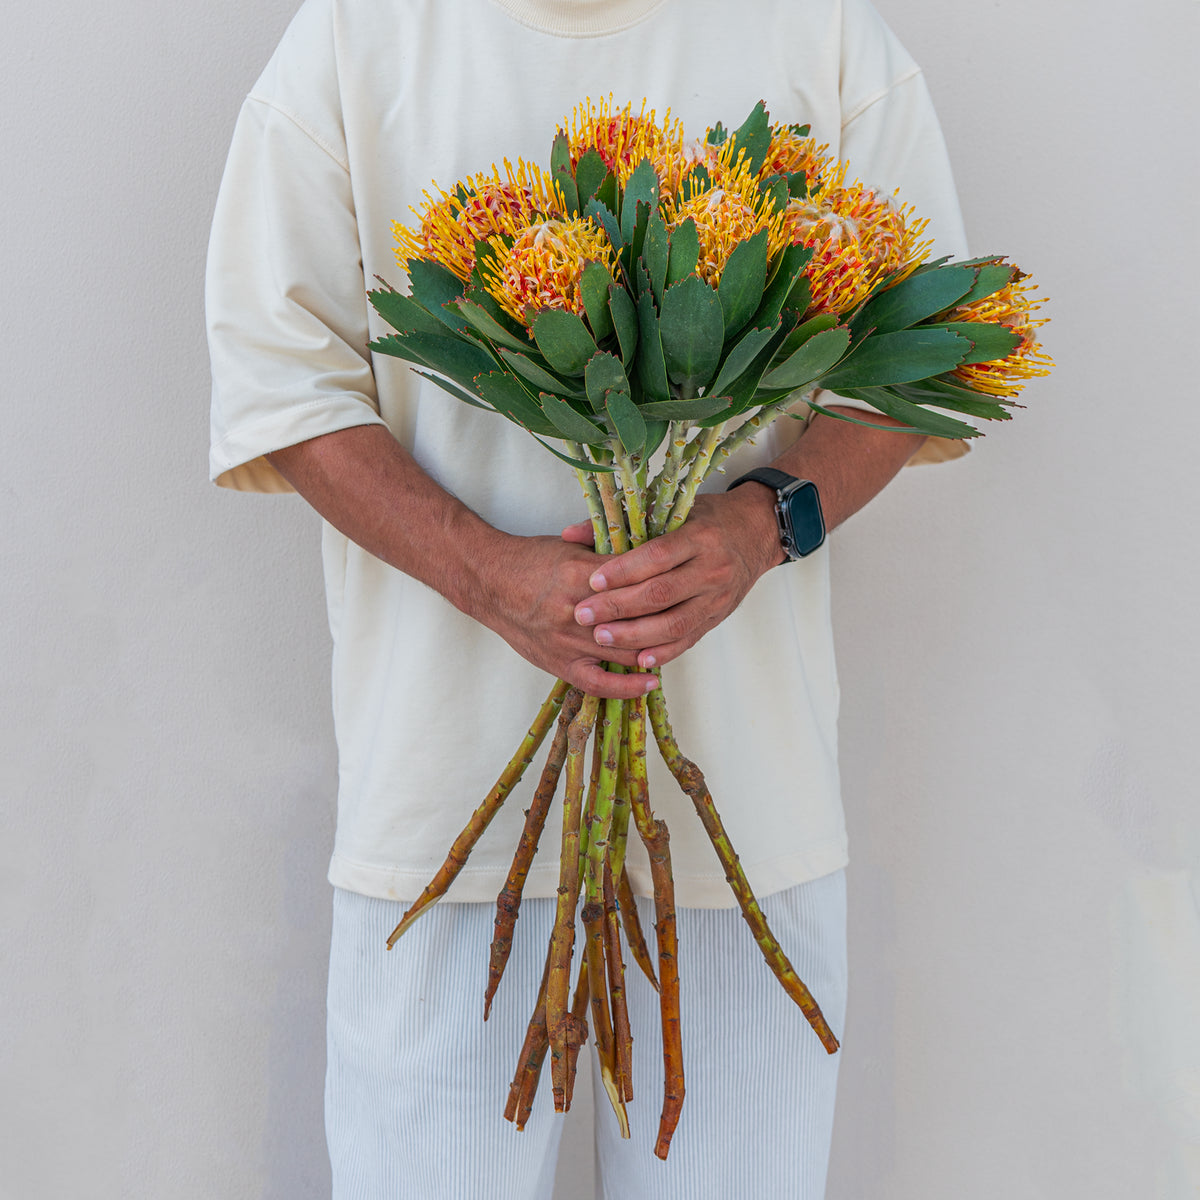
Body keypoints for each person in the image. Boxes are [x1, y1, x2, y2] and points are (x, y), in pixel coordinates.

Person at [207, 0, 969, 1195]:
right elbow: (278, 383)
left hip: (746, 823)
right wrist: (483, 572)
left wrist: (760, 524)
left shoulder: (818, 32)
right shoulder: (357, 36)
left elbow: (918, 359)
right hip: (443, 820)